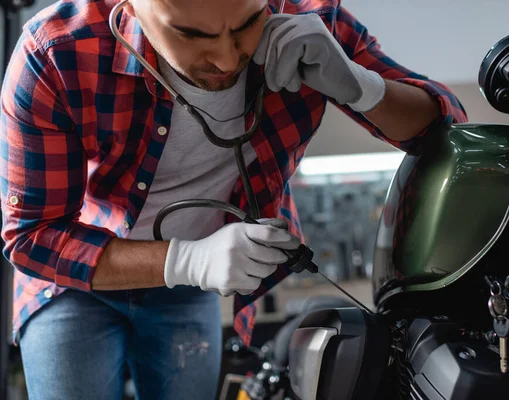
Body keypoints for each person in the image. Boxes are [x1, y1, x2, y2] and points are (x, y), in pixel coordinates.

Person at [0, 0, 467, 398]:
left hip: (187, 292)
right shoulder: (56, 54)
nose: (227, 59)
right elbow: (33, 238)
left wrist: (362, 85)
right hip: (76, 283)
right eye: (189, 33)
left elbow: (447, 129)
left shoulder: (311, 19)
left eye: (248, 23)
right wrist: (189, 259)